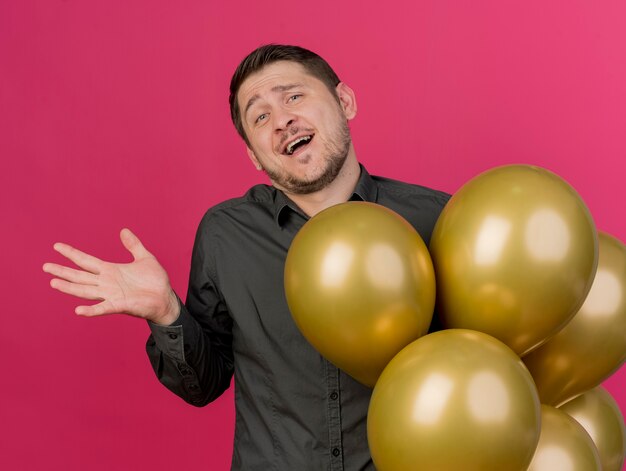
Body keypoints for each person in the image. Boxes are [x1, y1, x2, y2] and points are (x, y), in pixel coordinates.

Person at [43, 44, 450, 470]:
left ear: (344, 101)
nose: (282, 121)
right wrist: (167, 314)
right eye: (260, 116)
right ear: (254, 155)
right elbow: (203, 386)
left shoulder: (435, 219)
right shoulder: (226, 235)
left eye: (293, 97)